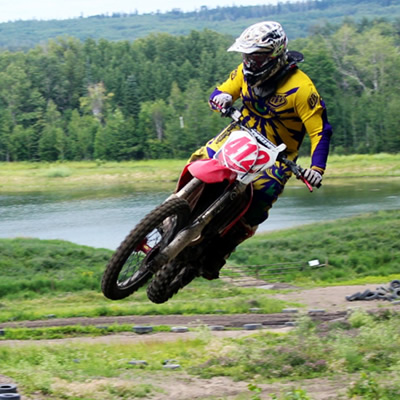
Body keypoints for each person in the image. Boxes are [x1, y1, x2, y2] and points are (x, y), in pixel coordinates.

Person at [189, 21, 333, 279]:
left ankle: (221, 250)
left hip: (278, 153)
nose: (249, 63)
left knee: (261, 198)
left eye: (256, 58)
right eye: (246, 56)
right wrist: (219, 98)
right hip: (242, 132)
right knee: (201, 159)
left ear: (274, 55)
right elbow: (222, 90)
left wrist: (316, 169)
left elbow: (320, 131)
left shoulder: (302, 88)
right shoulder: (244, 73)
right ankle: (173, 209)